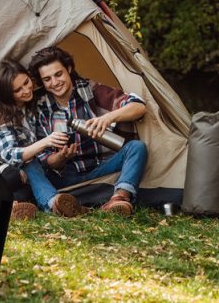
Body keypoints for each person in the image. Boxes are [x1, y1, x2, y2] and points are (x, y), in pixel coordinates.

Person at [28, 46, 148, 217]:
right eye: (47, 79)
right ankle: (56, 204)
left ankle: (119, 199)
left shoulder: (90, 90)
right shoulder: (40, 106)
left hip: (100, 167)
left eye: (58, 74)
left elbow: (138, 106)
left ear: (69, 69)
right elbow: (46, 161)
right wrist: (61, 157)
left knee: (137, 148)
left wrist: (108, 118)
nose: (54, 82)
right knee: (29, 164)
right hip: (64, 177)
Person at [0, 58, 85, 217]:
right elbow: (11, 155)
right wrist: (46, 142)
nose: (26, 90)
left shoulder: (33, 104)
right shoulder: (0, 115)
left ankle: (15, 208)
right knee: (28, 165)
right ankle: (52, 204)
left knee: (26, 192)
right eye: (17, 90)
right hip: (3, 174)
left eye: (26, 82)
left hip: (32, 173)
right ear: (7, 94)